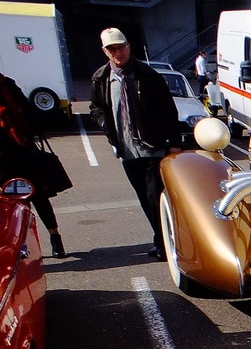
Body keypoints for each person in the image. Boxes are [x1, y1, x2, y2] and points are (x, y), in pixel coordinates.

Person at [89, 27, 180, 259]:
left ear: (129, 46)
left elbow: (168, 110)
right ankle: (160, 239)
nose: (117, 52)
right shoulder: (101, 78)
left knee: (155, 197)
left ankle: (164, 243)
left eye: (121, 47)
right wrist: (105, 125)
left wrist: (173, 142)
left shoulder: (147, 75)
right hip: (127, 149)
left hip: (152, 147)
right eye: (112, 49)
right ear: (105, 51)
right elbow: (96, 107)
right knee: (143, 198)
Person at [0, 72, 67, 257]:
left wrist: (25, 131)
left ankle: (55, 238)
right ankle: (20, 243)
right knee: (12, 202)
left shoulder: (8, 85)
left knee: (39, 196)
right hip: (3, 158)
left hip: (23, 149)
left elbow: (29, 112)